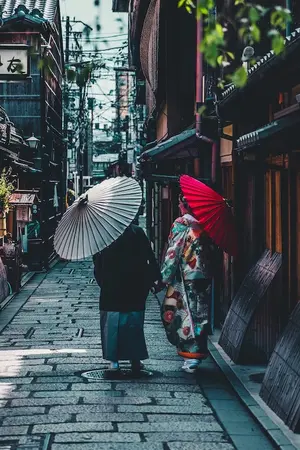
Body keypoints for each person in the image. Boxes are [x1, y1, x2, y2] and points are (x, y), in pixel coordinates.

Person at [93, 222, 161, 372]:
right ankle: (135, 360)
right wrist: (153, 278)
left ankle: (113, 361)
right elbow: (149, 257)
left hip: (111, 287)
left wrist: (103, 282)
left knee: (112, 324)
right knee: (134, 323)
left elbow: (97, 263)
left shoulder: (104, 234)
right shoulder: (137, 232)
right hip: (135, 285)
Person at [161, 194, 215, 374]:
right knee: (200, 313)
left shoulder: (181, 224)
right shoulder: (203, 225)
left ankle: (189, 355)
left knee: (184, 314)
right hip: (203, 276)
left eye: (179, 203)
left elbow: (173, 251)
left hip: (185, 277)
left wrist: (164, 276)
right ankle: (197, 353)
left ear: (184, 206)